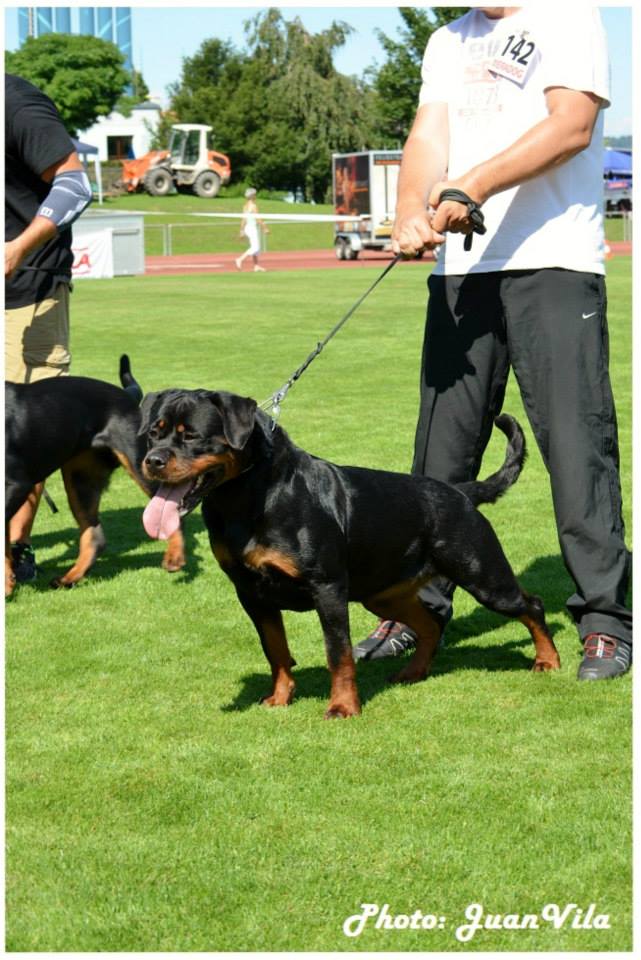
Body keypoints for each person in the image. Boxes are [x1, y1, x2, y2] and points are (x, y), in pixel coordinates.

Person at [353, 8, 631, 680]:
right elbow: (428, 133)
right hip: (462, 273)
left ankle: (604, 618)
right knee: (437, 454)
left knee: (573, 443)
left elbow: (570, 125)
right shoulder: (447, 39)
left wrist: (469, 185)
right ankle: (417, 607)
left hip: (554, 264)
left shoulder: (569, 16)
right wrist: (409, 205)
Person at [5, 72, 92, 583]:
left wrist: (18, 246)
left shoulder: (15, 102)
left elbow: (76, 183)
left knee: (20, 437)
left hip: (26, 294)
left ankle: (14, 553)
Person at [235, 187, 269, 272]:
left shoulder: (245, 206)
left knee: (255, 247)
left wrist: (242, 230)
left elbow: (243, 219)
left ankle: (256, 266)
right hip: (252, 228)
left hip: (248, 228)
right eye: (255, 195)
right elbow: (258, 219)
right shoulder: (254, 206)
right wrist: (265, 228)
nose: (255, 196)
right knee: (255, 247)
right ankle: (240, 259)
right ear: (252, 196)